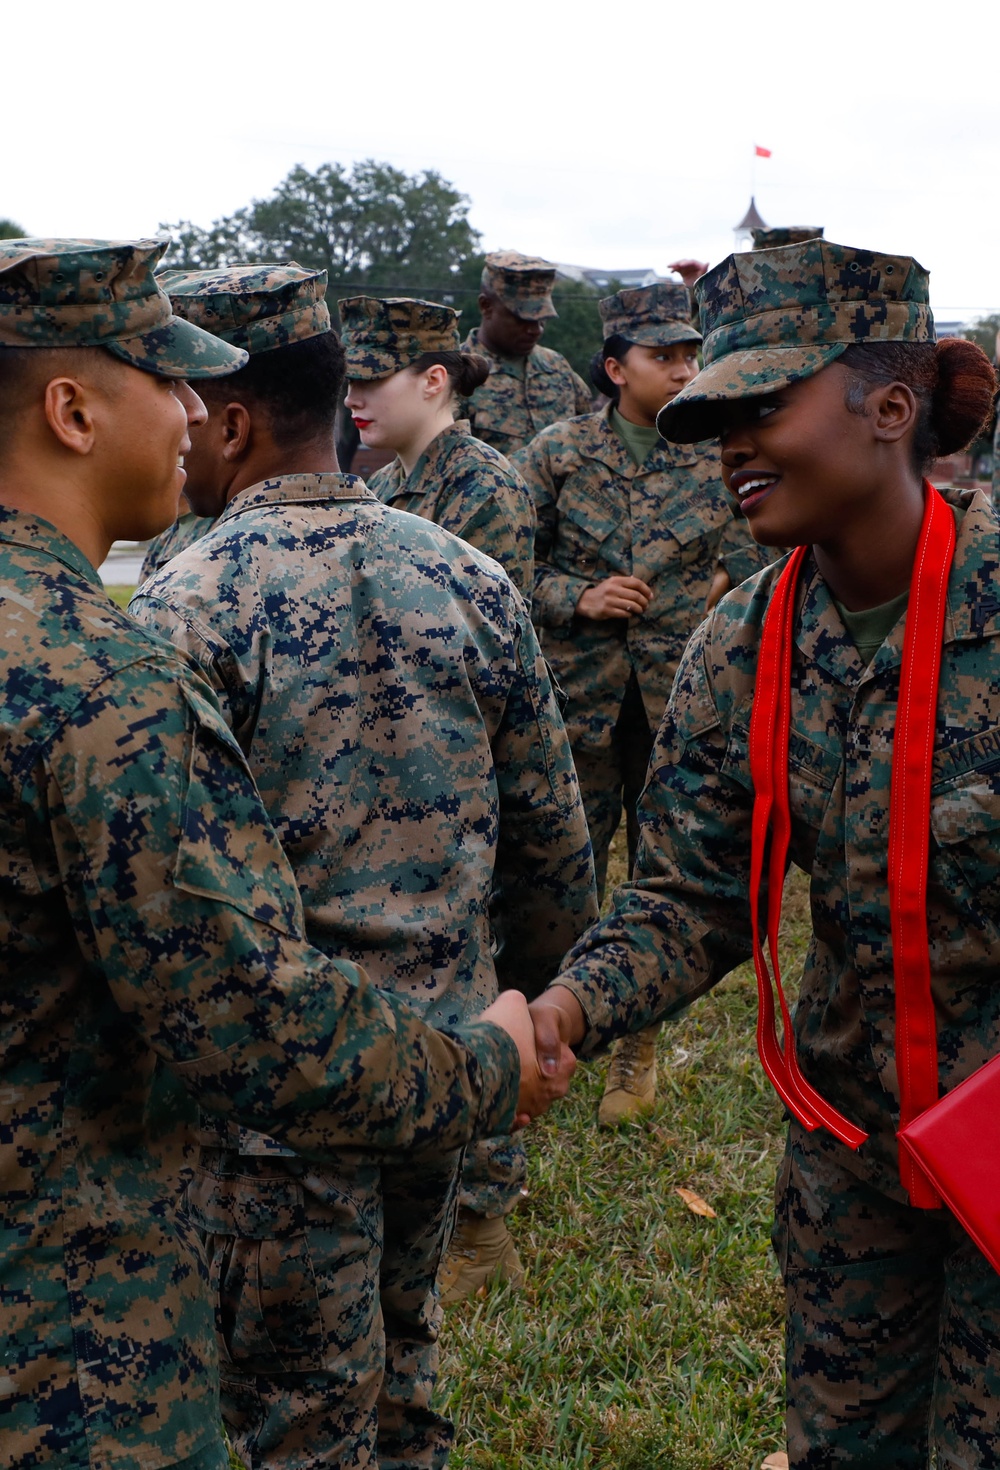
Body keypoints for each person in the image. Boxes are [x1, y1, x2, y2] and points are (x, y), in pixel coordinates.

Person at [0, 238, 566, 1470]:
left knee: (293, 1414)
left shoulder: (163, 613)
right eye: (171, 382)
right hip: (357, 1081)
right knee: (381, 1392)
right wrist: (501, 1041)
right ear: (72, 408)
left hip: (263, 1141)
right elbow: (545, 848)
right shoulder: (103, 668)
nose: (194, 414)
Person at [528, 238, 1000, 1469]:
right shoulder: (746, 642)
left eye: (762, 406)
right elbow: (690, 891)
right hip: (851, 1150)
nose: (730, 444)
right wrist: (567, 1009)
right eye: (713, 416)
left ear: (889, 409)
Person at [513, 281, 768, 1124]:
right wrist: (576, 597)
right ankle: (549, 1036)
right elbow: (511, 568)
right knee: (563, 871)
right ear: (618, 366)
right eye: (667, 357)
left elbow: (756, 552)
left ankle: (639, 1047)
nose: (685, 369)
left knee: (663, 877)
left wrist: (723, 597)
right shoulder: (555, 454)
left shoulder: (715, 453)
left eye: (692, 355)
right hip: (577, 701)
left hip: (679, 706)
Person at [341, 295, 535, 599]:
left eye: (370, 379)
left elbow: (484, 633)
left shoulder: (483, 485)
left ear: (433, 381)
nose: (351, 399)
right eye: (350, 381)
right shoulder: (380, 484)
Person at [458, 250, 593, 456]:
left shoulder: (557, 367)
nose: (536, 329)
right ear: (486, 306)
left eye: (541, 318)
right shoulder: (457, 374)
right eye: (523, 318)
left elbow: (590, 437)